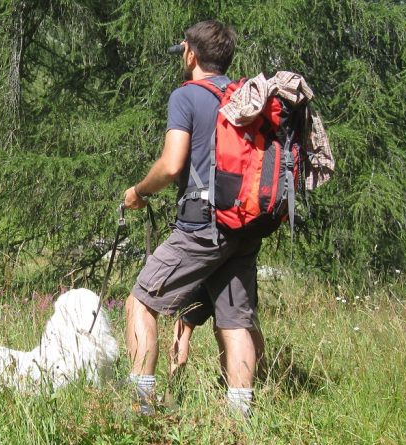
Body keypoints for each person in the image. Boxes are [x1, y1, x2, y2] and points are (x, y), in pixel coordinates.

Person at [122, 20, 266, 418]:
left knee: (141, 302)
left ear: (191, 54)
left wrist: (139, 191)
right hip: (244, 226)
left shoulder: (186, 97)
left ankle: (141, 408)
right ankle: (240, 420)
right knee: (234, 322)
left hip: (202, 226)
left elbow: (171, 165)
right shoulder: (243, 98)